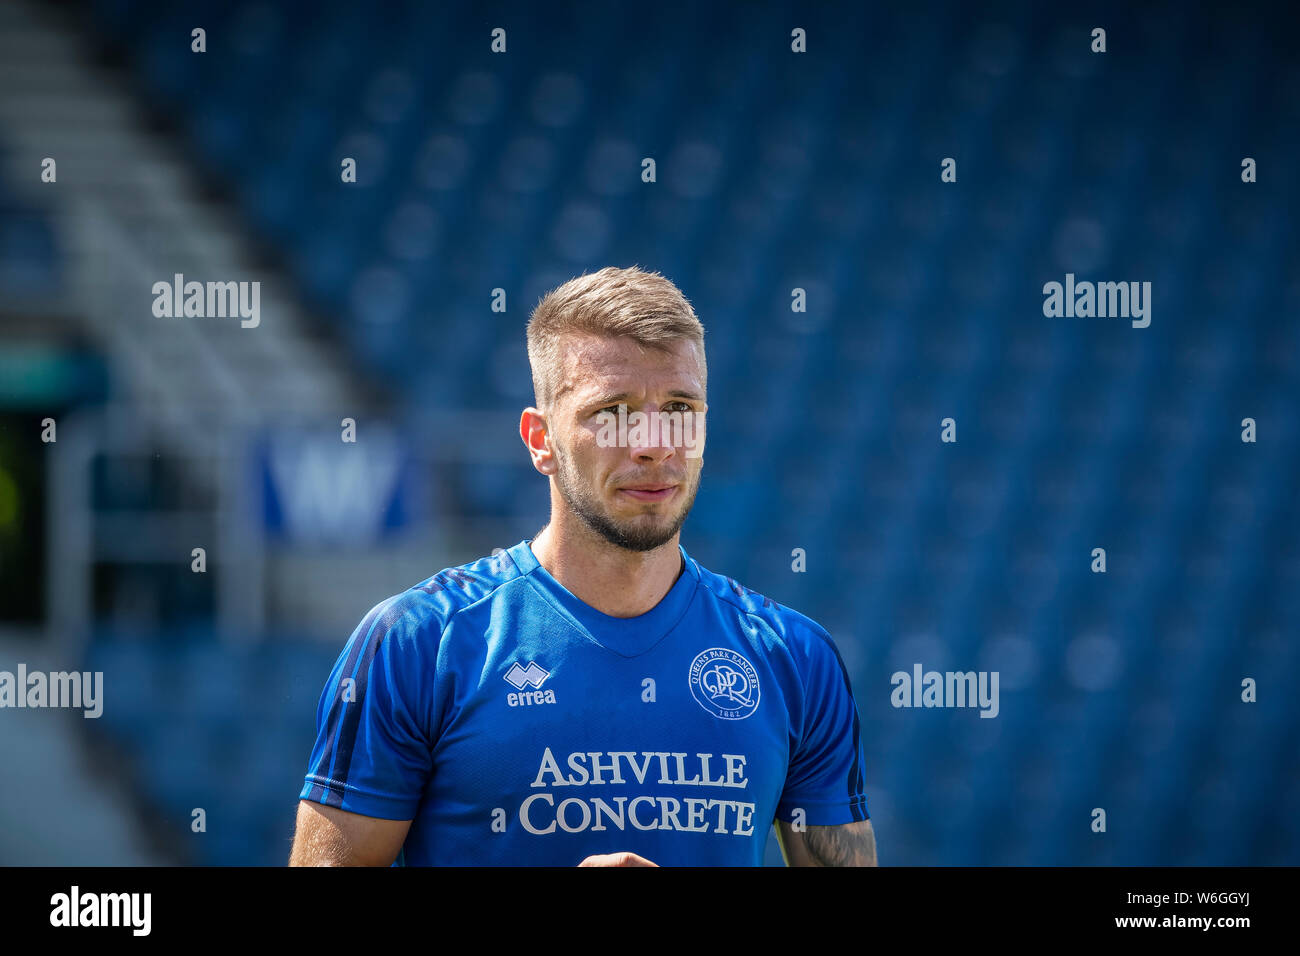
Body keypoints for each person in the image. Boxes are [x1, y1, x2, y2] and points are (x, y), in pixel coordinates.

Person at [289, 266, 876, 866]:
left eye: (679, 408)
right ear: (540, 439)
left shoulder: (796, 658)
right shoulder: (417, 644)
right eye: (613, 411)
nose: (653, 443)